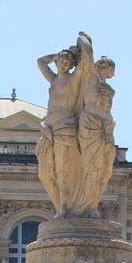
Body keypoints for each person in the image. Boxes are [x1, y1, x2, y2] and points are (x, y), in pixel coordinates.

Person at [36, 34, 86, 217]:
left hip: (65, 128)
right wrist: (57, 55)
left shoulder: (73, 80)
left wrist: (81, 44)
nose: (63, 64)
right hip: (48, 128)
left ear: (72, 65)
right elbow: (40, 61)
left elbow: (85, 64)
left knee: (64, 172)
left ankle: (65, 210)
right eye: (61, 61)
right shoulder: (53, 79)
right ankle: (60, 207)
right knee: (45, 172)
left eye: (67, 62)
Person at [76, 32, 116, 216]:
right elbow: (87, 54)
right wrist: (84, 40)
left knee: (106, 170)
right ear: (103, 67)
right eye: (111, 69)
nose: (113, 74)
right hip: (90, 126)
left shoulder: (110, 89)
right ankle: (89, 206)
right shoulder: (90, 78)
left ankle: (93, 202)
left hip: (106, 130)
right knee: (91, 166)